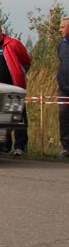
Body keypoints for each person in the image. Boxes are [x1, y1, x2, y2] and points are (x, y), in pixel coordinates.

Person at [0, 21, 32, 156]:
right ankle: (4, 145)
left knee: (18, 116)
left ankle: (21, 146)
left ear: (0, 31)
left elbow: (26, 62)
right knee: (1, 117)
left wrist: (19, 75)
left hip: (13, 87)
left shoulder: (13, 44)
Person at [58, 17, 69, 157]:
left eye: (62, 27)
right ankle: (66, 148)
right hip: (63, 88)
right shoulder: (61, 44)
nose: (60, 30)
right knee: (64, 116)